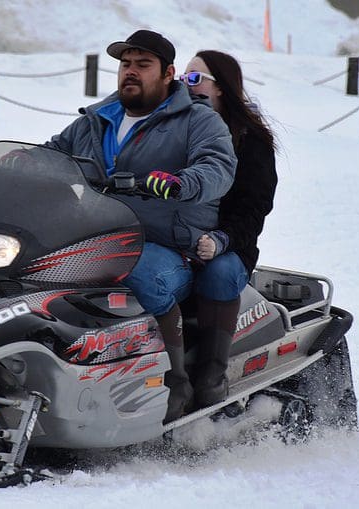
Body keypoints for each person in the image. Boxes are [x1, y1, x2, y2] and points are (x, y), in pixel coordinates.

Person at [45, 30, 237, 423]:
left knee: (138, 272)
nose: (130, 72)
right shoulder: (96, 120)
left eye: (143, 65)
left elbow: (217, 168)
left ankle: (174, 383)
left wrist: (181, 183)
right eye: (125, 64)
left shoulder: (198, 120)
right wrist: (17, 164)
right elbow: (52, 154)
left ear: (168, 73)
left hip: (171, 246)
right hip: (99, 237)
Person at [179, 50, 278, 407]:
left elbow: (254, 209)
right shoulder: (174, 129)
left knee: (219, 274)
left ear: (222, 88)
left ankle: (210, 376)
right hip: (173, 238)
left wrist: (221, 240)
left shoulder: (251, 141)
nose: (186, 87)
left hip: (229, 246)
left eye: (195, 79)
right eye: (181, 79)